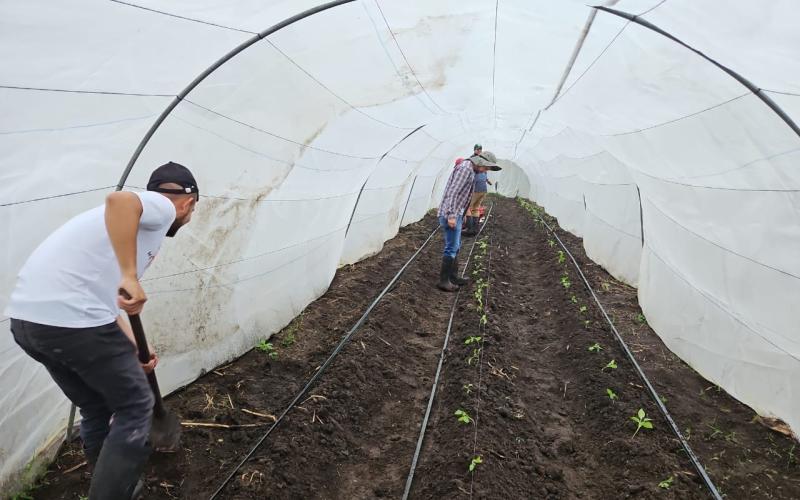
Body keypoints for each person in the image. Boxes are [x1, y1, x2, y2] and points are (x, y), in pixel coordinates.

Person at [5, 162, 199, 499]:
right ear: (190, 202)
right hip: (71, 321)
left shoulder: (125, 233)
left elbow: (108, 300)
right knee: (137, 406)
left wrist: (138, 348)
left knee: (96, 406)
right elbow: (120, 200)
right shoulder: (162, 206)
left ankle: (112, 485)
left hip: (30, 323)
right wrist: (129, 274)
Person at [436, 151, 501, 292]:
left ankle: (453, 278)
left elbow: (463, 195)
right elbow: (453, 193)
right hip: (450, 214)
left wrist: (463, 213)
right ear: (480, 161)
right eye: (486, 167)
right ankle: (444, 281)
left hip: (457, 212)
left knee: (456, 246)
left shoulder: (470, 169)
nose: (486, 170)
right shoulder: (465, 169)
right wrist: (452, 215)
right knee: (451, 247)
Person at [463, 167, 493, 236]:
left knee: (467, 208)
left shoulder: (474, 170)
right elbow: (485, 179)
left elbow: (471, 181)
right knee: (476, 208)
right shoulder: (484, 170)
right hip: (483, 191)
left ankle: (469, 229)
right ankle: (475, 229)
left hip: (476, 191)